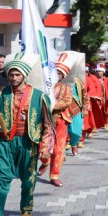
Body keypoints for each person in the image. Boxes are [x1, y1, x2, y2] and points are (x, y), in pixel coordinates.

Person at [0, 53, 54, 216]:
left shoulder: (39, 96)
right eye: (11, 74)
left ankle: (26, 208)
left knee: (28, 181)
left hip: (29, 142)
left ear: (24, 75)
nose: (14, 78)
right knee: (2, 179)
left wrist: (45, 147)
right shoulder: (0, 92)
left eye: (17, 75)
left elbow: (48, 124)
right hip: (5, 142)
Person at [38, 57, 73, 187]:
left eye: (59, 73)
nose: (56, 75)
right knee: (42, 146)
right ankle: (45, 161)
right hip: (43, 120)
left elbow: (66, 102)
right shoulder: (42, 87)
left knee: (58, 150)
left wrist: (50, 104)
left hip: (60, 121)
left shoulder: (66, 89)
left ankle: (54, 175)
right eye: (54, 72)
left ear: (62, 76)